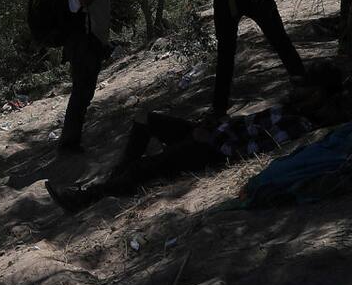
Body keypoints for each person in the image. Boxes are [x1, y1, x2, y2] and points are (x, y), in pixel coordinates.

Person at [47, 62, 351, 213]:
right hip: (214, 133)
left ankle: (86, 198)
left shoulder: (300, 125)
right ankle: (118, 175)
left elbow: (249, 151)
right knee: (144, 119)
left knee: (149, 167)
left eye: (306, 89)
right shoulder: (294, 109)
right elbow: (248, 127)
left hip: (213, 149)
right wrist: (218, 124)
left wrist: (211, 138)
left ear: (320, 95)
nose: (298, 91)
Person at [59, 0, 115, 154]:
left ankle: (71, 140)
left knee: (84, 92)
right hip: (83, 43)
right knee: (81, 93)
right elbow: (80, 0)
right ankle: (69, 144)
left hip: (91, 42)